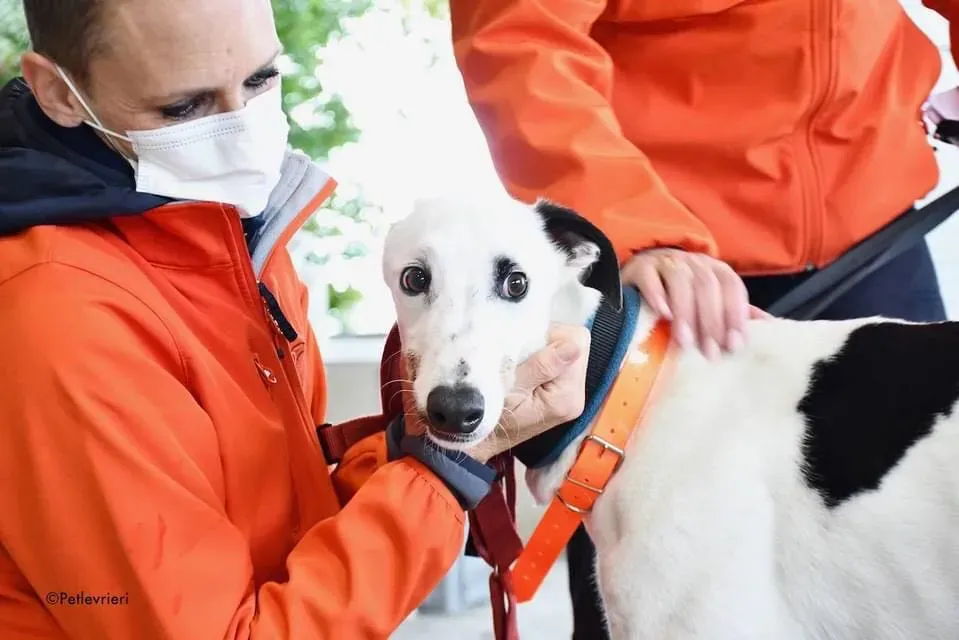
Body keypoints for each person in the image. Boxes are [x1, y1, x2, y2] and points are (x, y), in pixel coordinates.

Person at [0, 1, 593, 638]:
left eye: (261, 79)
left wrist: (405, 451)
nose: (243, 128)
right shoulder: (59, 317)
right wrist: (444, 474)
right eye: (184, 108)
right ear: (60, 93)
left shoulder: (238, 241)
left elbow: (284, 519)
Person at [449, 0, 952, 637]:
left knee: (919, 577)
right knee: (655, 598)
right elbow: (518, 30)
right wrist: (629, 225)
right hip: (668, 266)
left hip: (878, 233)